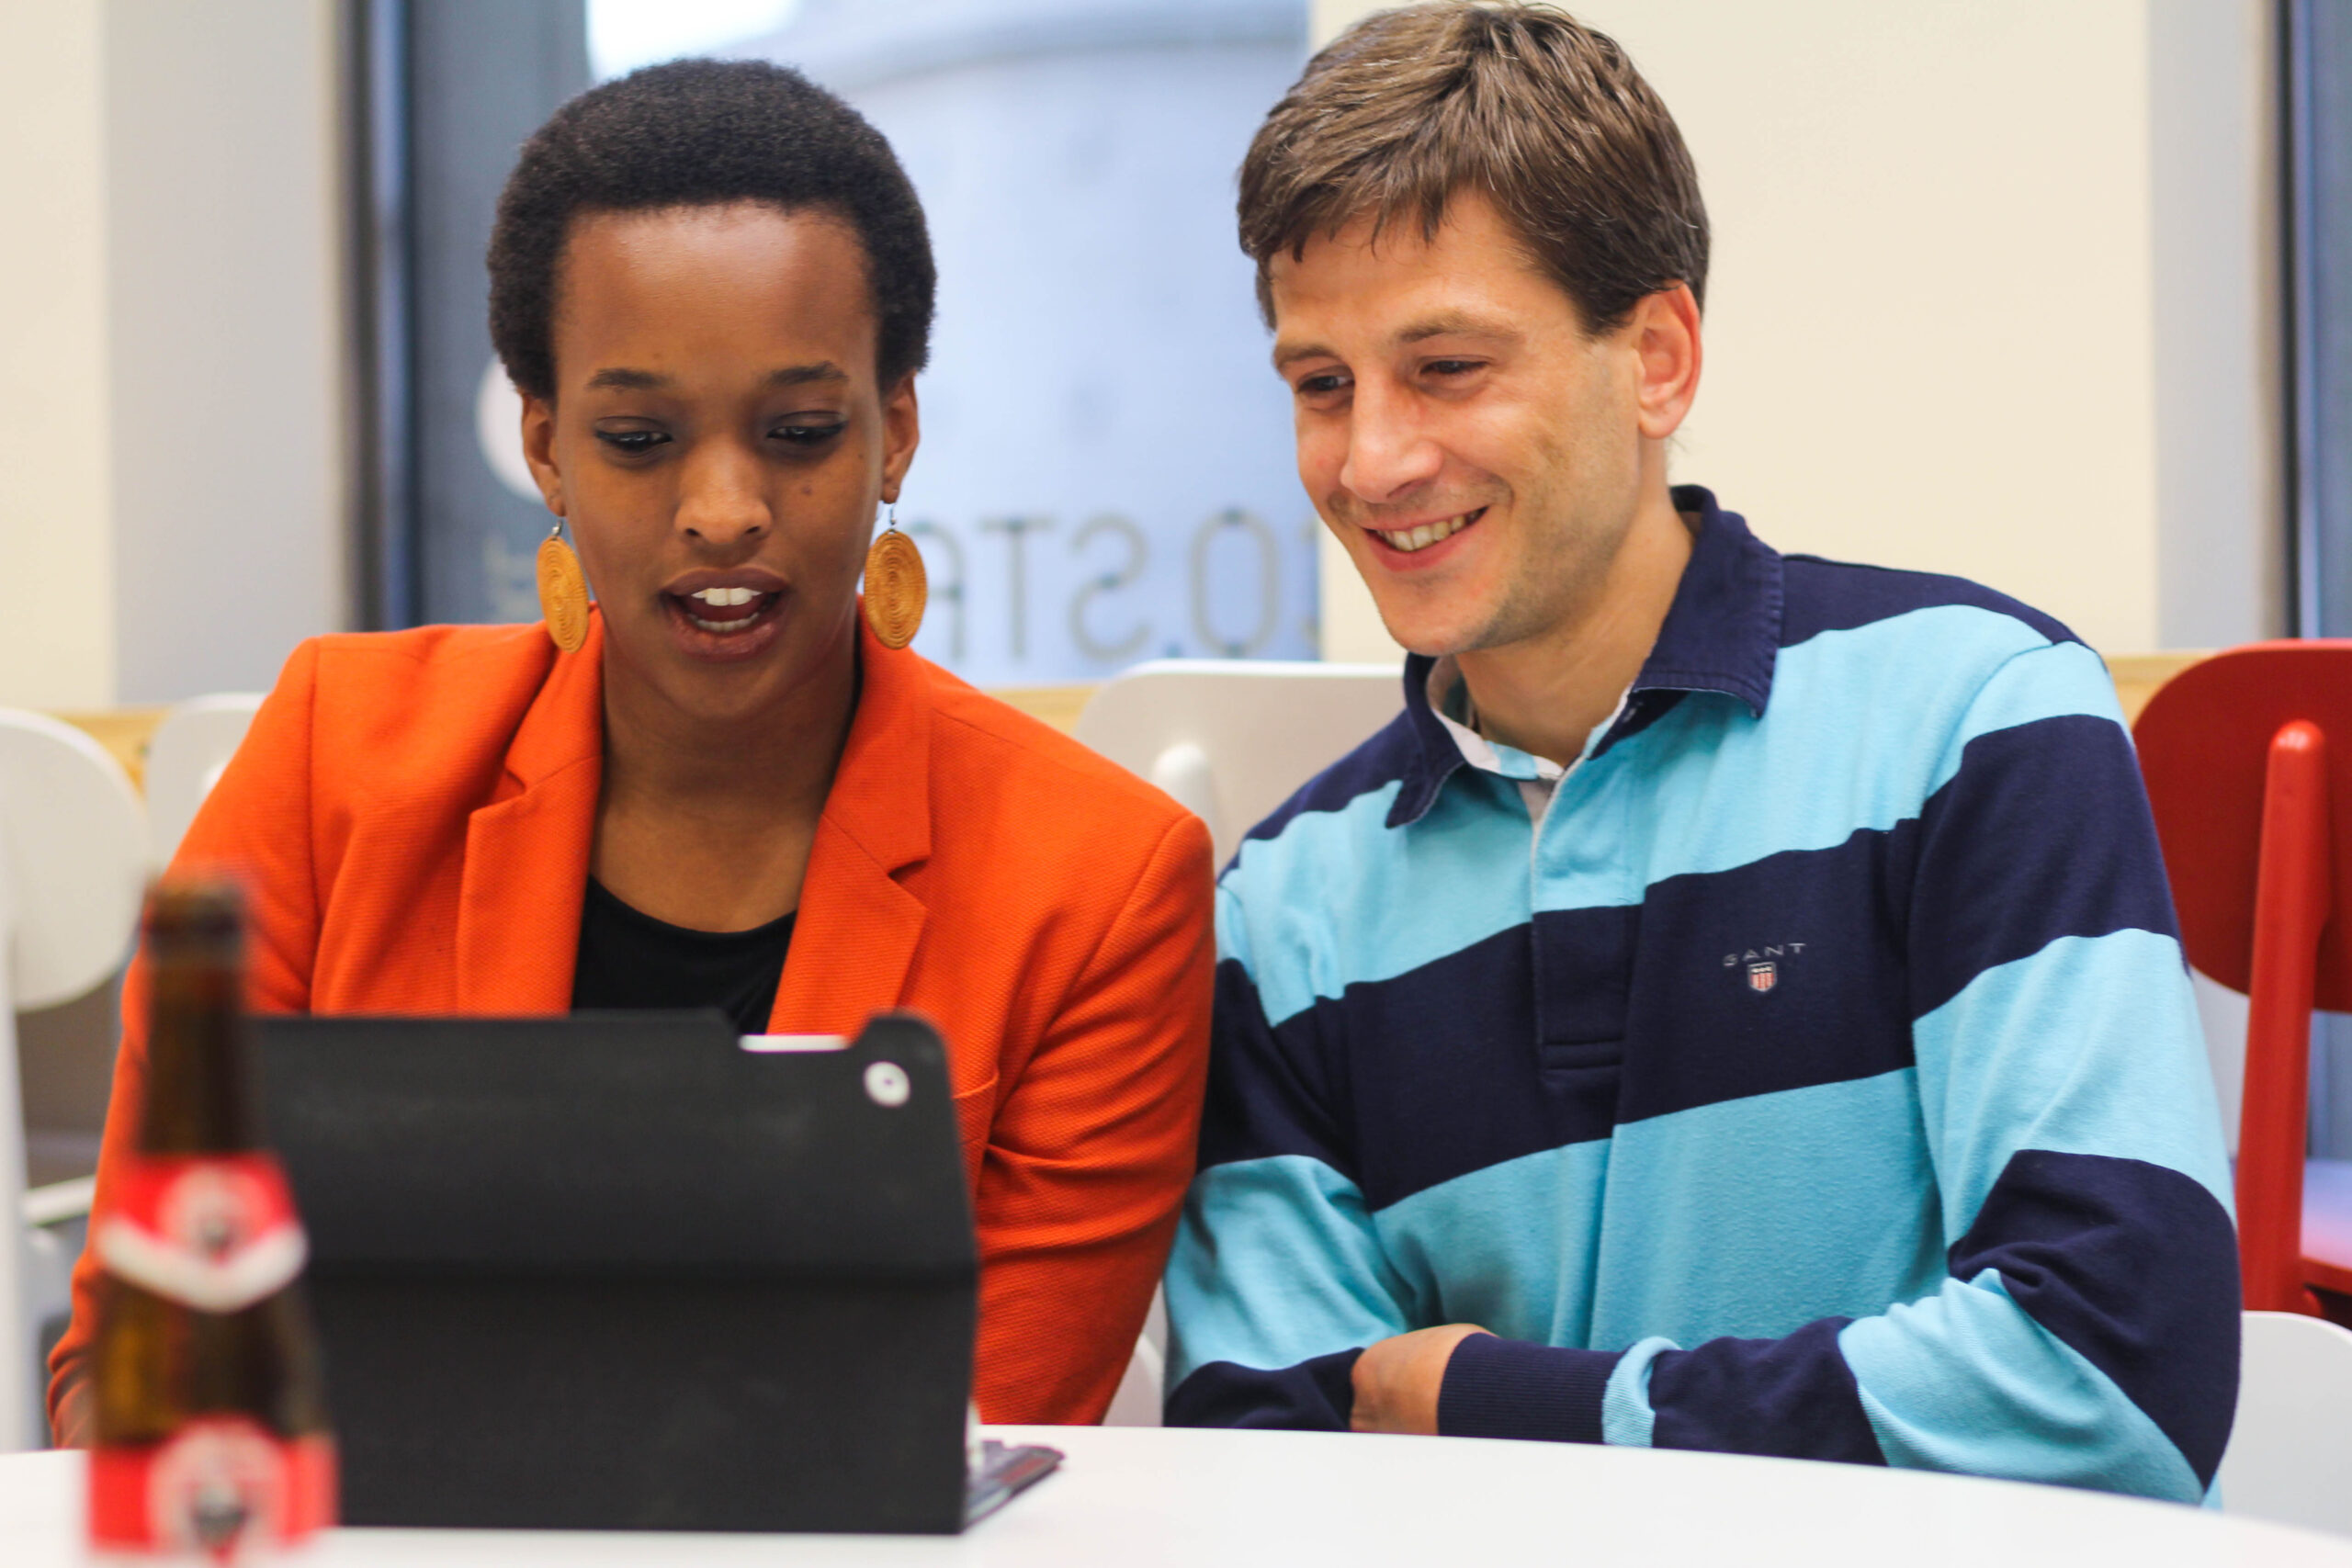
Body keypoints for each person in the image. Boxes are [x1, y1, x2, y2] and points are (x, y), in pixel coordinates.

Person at [1163, 1, 2238, 1503]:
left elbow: (2113, 1380)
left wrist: (1494, 1399)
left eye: (1449, 365)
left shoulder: (1980, 721)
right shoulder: (1277, 909)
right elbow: (1267, 1483)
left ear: (1659, 358)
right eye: (1320, 383)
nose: (1371, 461)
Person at [51, 60, 1213, 1440]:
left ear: (896, 431)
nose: (722, 509)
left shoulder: (1103, 882)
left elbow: (984, 1447)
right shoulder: (332, 765)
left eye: (797, 432)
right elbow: (140, 1373)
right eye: (639, 437)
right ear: (544, 446)